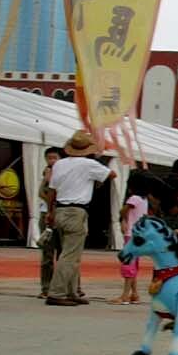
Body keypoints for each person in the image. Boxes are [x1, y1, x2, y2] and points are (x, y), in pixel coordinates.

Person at [44, 130, 114, 306]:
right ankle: (57, 293)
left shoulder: (59, 165)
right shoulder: (89, 164)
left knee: (68, 253)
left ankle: (72, 291)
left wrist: (50, 211)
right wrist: (96, 182)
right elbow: (112, 174)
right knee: (70, 255)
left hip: (60, 209)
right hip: (77, 211)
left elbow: (52, 190)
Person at [112, 188, 151, 304]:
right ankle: (134, 293)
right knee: (133, 265)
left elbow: (123, 210)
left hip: (131, 234)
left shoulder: (133, 198)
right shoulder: (144, 200)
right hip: (140, 234)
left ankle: (125, 295)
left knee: (128, 264)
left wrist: (123, 219)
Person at [36, 147, 63, 299]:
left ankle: (60, 286)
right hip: (46, 214)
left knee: (62, 253)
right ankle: (46, 287)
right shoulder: (46, 173)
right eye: (49, 157)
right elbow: (41, 194)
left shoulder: (65, 173)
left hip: (61, 214)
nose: (52, 161)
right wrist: (46, 180)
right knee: (47, 254)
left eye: (55, 157)